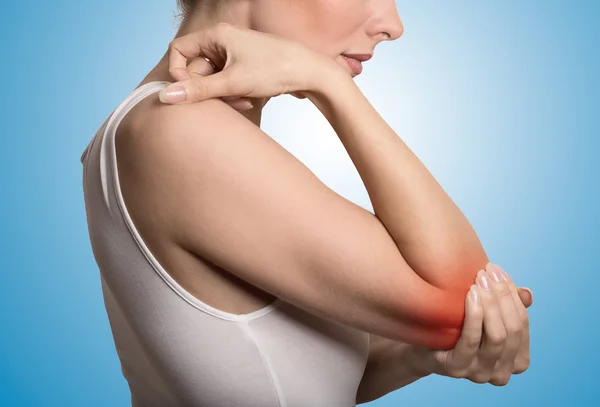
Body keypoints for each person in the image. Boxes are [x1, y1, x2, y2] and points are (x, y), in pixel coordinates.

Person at [80, 1, 533, 405]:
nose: (393, 25)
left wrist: (423, 354)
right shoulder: (181, 134)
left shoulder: (161, 127)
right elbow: (461, 297)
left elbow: (289, 383)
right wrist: (325, 80)